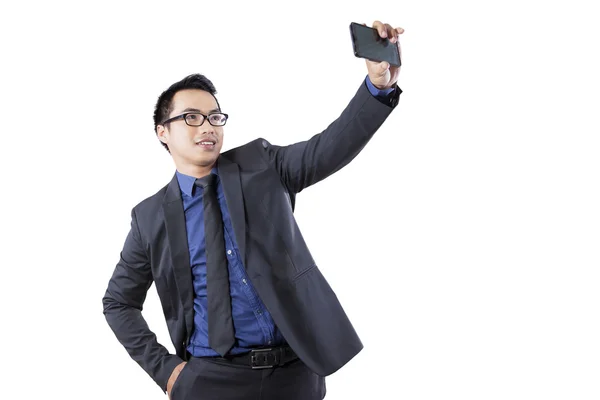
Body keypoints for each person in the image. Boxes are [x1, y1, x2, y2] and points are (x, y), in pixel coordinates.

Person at [102, 20, 404, 400]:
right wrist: (166, 371)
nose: (207, 126)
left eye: (215, 117)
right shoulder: (149, 218)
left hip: (293, 374)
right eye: (191, 117)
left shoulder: (262, 165)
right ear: (163, 131)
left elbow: (329, 147)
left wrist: (378, 86)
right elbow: (118, 302)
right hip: (211, 380)